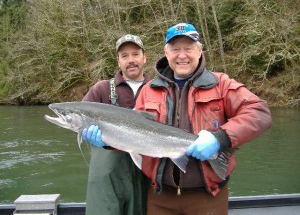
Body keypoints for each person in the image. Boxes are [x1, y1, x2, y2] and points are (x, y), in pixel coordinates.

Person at [134, 22, 272, 215]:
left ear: (199, 51)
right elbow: (130, 135)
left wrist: (220, 139)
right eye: (175, 49)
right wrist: (106, 139)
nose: (182, 55)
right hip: (159, 198)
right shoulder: (148, 90)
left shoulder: (221, 84)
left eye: (188, 48)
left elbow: (259, 112)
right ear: (166, 53)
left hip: (208, 197)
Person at [81, 34, 150, 215]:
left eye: (135, 54)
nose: (131, 60)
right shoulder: (101, 89)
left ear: (145, 57)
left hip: (149, 174)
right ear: (118, 61)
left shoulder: (160, 89)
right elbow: (80, 120)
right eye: (125, 56)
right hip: (108, 180)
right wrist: (86, 133)